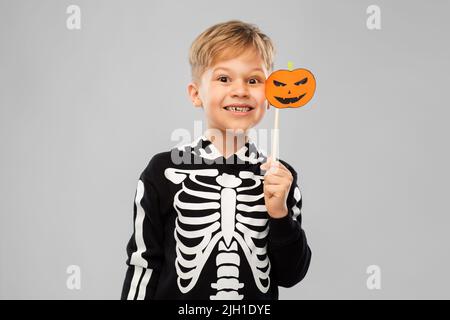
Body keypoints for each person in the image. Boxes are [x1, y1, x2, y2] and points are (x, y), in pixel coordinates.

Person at [121, 20, 312, 300]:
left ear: (270, 96)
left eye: (254, 80)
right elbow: (143, 266)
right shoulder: (164, 172)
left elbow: (291, 274)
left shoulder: (280, 177)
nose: (241, 90)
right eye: (224, 79)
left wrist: (280, 215)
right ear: (196, 94)